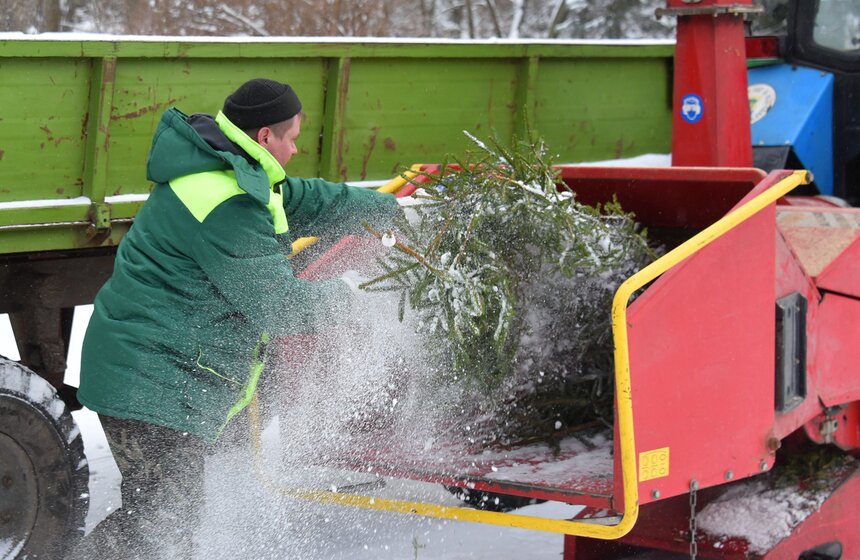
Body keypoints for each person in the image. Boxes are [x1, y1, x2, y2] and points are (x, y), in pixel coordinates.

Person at [69, 78, 400, 559]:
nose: (297, 146)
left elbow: (309, 199)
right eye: (291, 136)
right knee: (160, 526)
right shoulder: (226, 203)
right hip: (149, 381)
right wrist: (357, 294)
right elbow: (280, 305)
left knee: (163, 520)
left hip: (153, 370)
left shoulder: (231, 170)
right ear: (265, 137)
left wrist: (390, 211)